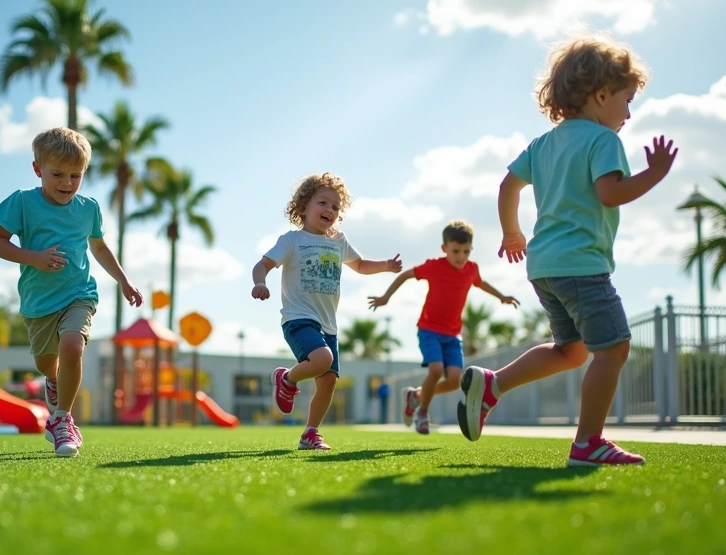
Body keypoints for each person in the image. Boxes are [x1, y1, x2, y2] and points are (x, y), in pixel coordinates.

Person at [458, 36, 676, 466]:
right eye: (626, 101)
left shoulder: (543, 144)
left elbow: (508, 186)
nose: (628, 114)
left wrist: (512, 233)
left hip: (544, 266)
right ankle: (588, 443)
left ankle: (492, 385)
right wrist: (654, 173)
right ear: (600, 95)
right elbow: (610, 193)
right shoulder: (602, 141)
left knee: (571, 351)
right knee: (612, 349)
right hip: (582, 265)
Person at [0, 127, 144, 457]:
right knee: (48, 364)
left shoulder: (88, 208)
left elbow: (99, 248)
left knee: (72, 347)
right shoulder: (22, 202)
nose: (67, 183)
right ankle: (53, 381)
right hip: (39, 302)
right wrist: (34, 258)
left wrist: (123, 280)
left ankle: (62, 420)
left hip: (79, 294)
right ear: (37, 169)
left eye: (76, 175)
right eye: (57, 174)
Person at [252, 173, 403, 450]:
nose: (330, 210)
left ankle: (310, 433)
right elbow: (261, 265)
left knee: (328, 382)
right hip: (298, 318)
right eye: (323, 202)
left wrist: (385, 265)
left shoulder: (338, 241)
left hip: (328, 325)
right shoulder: (291, 241)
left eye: (336, 207)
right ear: (302, 207)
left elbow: (359, 265)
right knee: (322, 358)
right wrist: (260, 282)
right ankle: (286, 378)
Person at [368, 220, 519, 434]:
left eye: (466, 251)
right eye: (455, 251)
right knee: (436, 369)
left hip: (453, 334)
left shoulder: (471, 269)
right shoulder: (434, 266)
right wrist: (385, 297)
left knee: (454, 381)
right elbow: (405, 275)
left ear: (471, 250)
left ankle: (416, 397)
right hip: (429, 329)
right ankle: (422, 414)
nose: (461, 256)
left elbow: (481, 282)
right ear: (444, 248)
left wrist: (501, 296)